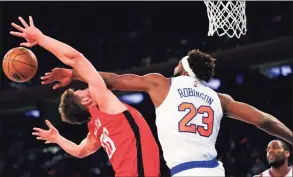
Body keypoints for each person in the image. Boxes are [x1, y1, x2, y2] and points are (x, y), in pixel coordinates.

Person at [40, 25, 292, 177]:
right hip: (215, 169)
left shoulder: (161, 83)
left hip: (185, 170)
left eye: (178, 64)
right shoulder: (219, 98)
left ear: (184, 70)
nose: (174, 65)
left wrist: (74, 74)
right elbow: (264, 120)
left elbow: (113, 80)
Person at [10, 16, 160, 177]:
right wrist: (40, 38)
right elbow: (76, 58)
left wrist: (58, 138)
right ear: (87, 101)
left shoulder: (96, 128)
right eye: (80, 91)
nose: (85, 88)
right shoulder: (104, 105)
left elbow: (80, 151)